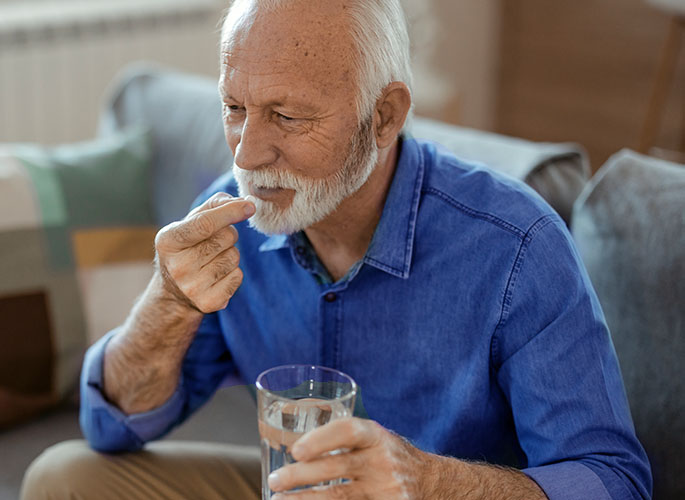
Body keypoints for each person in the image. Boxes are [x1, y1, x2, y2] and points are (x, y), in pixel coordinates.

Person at [22, 0, 652, 499]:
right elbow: (113, 426)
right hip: (292, 488)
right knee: (66, 479)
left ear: (384, 116)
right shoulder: (229, 217)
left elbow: (614, 481)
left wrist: (429, 484)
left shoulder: (518, 246)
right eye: (234, 107)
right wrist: (167, 304)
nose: (245, 153)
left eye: (288, 117)